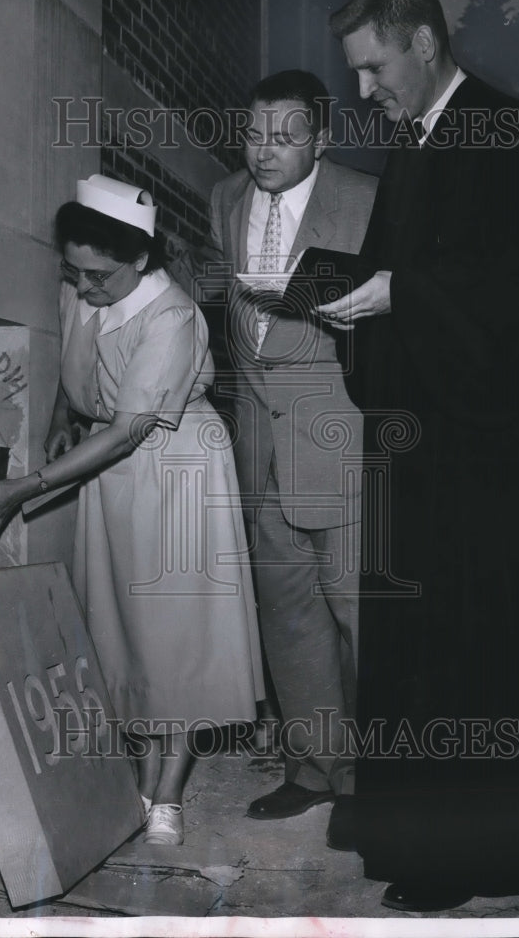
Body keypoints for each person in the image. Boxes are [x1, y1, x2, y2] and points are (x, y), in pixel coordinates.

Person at [317, 0, 519, 911]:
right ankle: (417, 833)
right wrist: (346, 298)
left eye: (373, 68)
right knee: (420, 649)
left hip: (497, 467)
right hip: (424, 450)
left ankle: (477, 857)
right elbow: (406, 270)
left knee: (481, 653)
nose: (364, 92)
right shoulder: (416, 148)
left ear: (425, 43)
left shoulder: (516, 134)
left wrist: (400, 296)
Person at [0, 174, 264, 846]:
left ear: (141, 260)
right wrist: (62, 419)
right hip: (110, 466)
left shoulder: (174, 316)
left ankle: (169, 792)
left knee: (179, 628)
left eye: (100, 275)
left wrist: (25, 486)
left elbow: (130, 430)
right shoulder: (83, 284)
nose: (84, 287)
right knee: (129, 626)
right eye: (75, 271)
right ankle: (145, 767)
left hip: (175, 467)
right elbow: (82, 378)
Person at [208, 70, 376, 827]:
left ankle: (386, 781)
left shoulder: (370, 199)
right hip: (260, 448)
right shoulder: (224, 198)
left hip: (343, 437)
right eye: (254, 134)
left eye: (286, 136)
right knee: (290, 617)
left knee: (362, 614)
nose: (264, 151)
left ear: (323, 137)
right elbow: (244, 337)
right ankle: (315, 770)